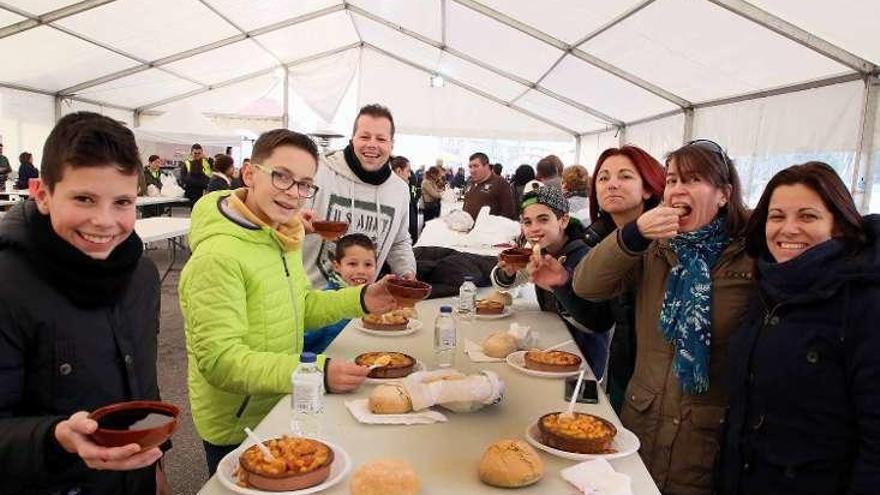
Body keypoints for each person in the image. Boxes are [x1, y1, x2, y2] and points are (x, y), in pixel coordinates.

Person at [178, 128, 397, 475]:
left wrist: (362, 298)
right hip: (239, 422)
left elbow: (301, 309)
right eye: (282, 177)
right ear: (249, 173)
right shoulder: (218, 256)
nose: (294, 193)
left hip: (281, 399)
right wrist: (315, 373)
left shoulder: (277, 235)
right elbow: (220, 361)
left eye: (304, 184)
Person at [573, 139, 754, 495]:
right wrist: (635, 232)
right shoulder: (655, 248)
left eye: (693, 179)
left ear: (723, 194)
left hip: (705, 441)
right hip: (640, 425)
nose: (677, 190)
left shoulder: (748, 258)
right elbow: (587, 284)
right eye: (671, 181)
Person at [0, 112, 165, 494]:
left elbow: (143, 383)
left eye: (121, 202)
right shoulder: (8, 284)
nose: (104, 221)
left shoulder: (141, 276)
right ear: (42, 194)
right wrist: (57, 438)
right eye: (84, 199)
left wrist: (157, 465)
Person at [718, 162, 880, 495]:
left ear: (838, 225)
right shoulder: (767, 286)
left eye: (807, 216)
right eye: (777, 217)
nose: (788, 229)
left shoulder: (863, 303)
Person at [492, 186, 614, 378]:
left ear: (563, 220)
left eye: (543, 219)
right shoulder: (543, 251)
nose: (534, 228)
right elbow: (508, 282)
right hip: (554, 344)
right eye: (527, 222)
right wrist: (507, 273)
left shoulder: (585, 257)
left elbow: (592, 322)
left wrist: (559, 287)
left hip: (583, 358)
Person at [582, 146, 665, 412]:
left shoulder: (665, 243)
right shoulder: (600, 240)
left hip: (659, 387)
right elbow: (600, 319)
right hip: (622, 373)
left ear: (648, 188)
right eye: (603, 178)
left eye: (625, 176)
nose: (612, 184)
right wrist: (559, 282)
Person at [302, 104, 416, 288]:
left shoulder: (399, 190)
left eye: (381, 139)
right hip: (308, 298)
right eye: (364, 136)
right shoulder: (318, 171)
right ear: (352, 139)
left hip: (360, 302)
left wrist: (407, 272)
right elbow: (285, 222)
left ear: (391, 144)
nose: (372, 144)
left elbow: (400, 241)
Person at [304, 234, 378, 354]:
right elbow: (304, 343)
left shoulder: (374, 299)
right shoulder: (325, 301)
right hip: (330, 365)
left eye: (368, 265)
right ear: (337, 266)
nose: (361, 271)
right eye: (352, 264)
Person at [463, 152, 515, 220]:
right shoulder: (471, 182)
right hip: (468, 228)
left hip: (488, 229)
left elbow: (508, 212)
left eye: (476, 166)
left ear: (486, 166)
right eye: (470, 167)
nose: (472, 170)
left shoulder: (500, 183)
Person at [390, 155, 419, 243]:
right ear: (399, 171)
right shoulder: (391, 192)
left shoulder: (403, 189)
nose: (410, 175)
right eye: (408, 171)